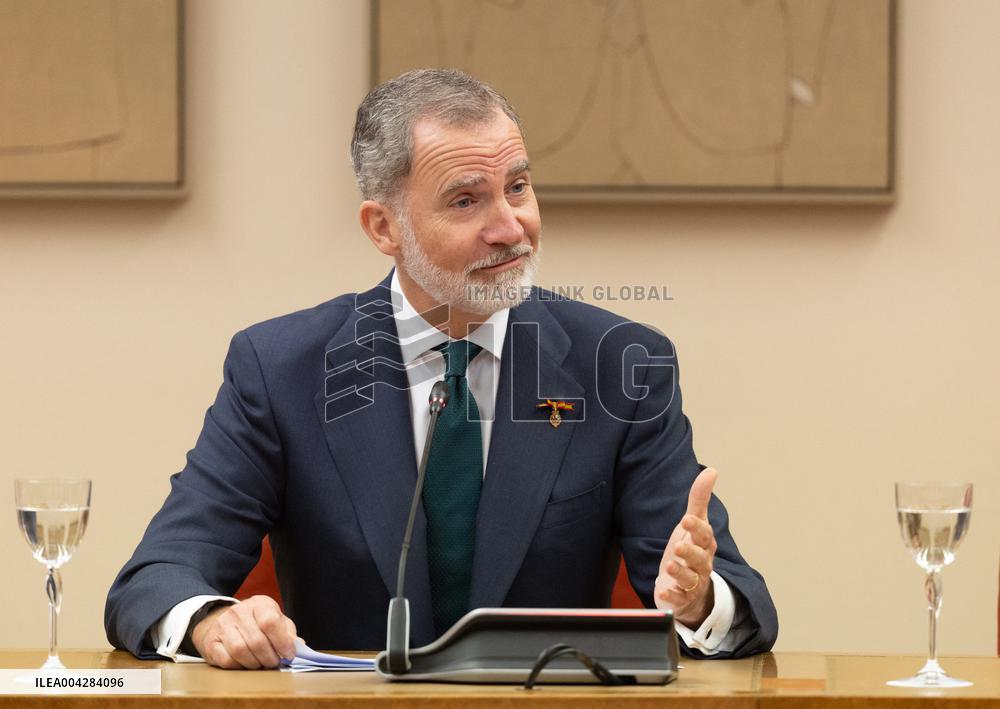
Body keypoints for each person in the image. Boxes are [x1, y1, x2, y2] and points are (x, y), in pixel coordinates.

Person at [105, 69, 778, 669]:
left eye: (518, 187)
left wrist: (696, 602)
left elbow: (743, 604)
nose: (510, 226)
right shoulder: (282, 369)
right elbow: (158, 575)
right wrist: (211, 618)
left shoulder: (619, 367)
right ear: (383, 227)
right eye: (466, 201)